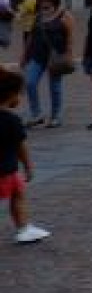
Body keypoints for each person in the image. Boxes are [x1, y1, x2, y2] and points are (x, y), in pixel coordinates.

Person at [2, 70, 49, 244]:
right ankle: (23, 228)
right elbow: (21, 147)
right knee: (18, 196)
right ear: (11, 95)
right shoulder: (12, 120)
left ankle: (24, 229)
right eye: (20, 94)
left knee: (17, 194)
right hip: (7, 171)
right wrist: (28, 167)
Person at [20, 0, 74, 128]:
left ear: (54, 0)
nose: (43, 3)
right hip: (37, 55)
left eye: (47, 0)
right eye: (41, 0)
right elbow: (31, 36)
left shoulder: (65, 15)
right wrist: (24, 55)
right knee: (30, 82)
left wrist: (68, 54)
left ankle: (56, 117)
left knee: (54, 87)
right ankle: (36, 114)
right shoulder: (38, 15)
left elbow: (69, 37)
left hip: (56, 56)